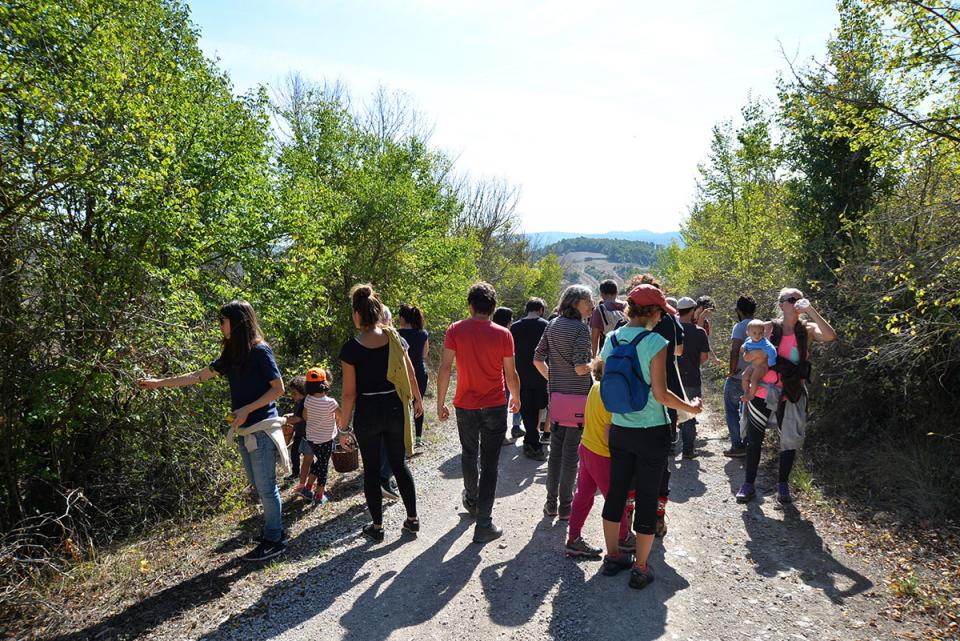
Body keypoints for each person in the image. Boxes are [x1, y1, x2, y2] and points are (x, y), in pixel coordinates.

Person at [137, 300, 288, 562]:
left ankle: (275, 538)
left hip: (262, 428)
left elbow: (278, 389)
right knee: (257, 484)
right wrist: (158, 384)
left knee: (266, 487)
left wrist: (247, 409)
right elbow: (197, 377)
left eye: (222, 321)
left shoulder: (261, 351)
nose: (219, 326)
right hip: (244, 429)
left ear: (237, 322)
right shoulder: (232, 355)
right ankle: (270, 532)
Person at [598, 285, 704, 589]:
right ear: (652, 311)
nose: (661, 318)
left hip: (619, 427)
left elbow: (605, 380)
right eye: (660, 312)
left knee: (617, 493)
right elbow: (660, 393)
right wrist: (690, 408)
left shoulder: (612, 338)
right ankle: (641, 567)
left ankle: (613, 555)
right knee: (646, 496)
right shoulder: (656, 341)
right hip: (651, 432)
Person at [436, 282, 521, 544]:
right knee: (490, 463)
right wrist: (516, 397)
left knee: (469, 453)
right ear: (493, 308)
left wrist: (440, 402)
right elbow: (511, 373)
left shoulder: (455, 330)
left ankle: (472, 499)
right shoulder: (503, 334)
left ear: (470, 306)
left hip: (465, 405)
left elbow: (445, 368)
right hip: (495, 405)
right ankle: (483, 523)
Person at [338, 285, 423, 541]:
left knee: (372, 470)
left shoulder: (350, 349)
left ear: (356, 314)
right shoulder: (395, 338)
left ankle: (377, 527)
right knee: (399, 464)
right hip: (395, 408)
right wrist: (418, 400)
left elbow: (349, 394)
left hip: (368, 413)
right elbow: (410, 372)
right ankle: (412, 519)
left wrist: (343, 428)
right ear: (377, 312)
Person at [736, 288, 836, 505]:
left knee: (788, 440)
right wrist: (756, 358)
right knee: (754, 439)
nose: (797, 302)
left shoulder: (807, 329)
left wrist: (811, 310)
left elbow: (830, 336)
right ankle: (748, 484)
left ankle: (782, 485)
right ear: (781, 304)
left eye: (800, 299)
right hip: (762, 389)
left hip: (791, 391)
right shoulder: (769, 327)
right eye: (792, 300)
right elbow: (747, 352)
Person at [534, 285, 594, 521]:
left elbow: (537, 359)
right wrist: (597, 363)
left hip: (557, 401)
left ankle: (551, 504)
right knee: (571, 459)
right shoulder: (581, 329)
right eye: (588, 300)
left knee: (555, 456)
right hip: (579, 402)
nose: (592, 305)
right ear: (576, 302)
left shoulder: (552, 325)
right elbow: (581, 368)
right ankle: (566, 507)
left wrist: (554, 378)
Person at [564, 359, 634, 558]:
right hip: (603, 455)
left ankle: (573, 539)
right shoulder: (611, 397)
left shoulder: (595, 387)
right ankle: (623, 537)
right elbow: (608, 435)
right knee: (615, 498)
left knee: (583, 496)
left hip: (586, 447)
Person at [294, 368, 341, 506]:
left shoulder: (308, 399)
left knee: (320, 463)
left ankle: (307, 489)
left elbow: (305, 416)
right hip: (326, 439)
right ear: (325, 383)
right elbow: (341, 415)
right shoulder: (331, 402)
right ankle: (318, 495)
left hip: (312, 440)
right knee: (323, 466)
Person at [510, 298, 550, 461]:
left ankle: (530, 439)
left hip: (521, 373)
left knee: (526, 408)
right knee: (539, 405)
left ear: (527, 309)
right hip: (542, 372)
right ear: (540, 309)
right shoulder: (546, 325)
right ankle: (534, 443)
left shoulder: (515, 327)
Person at [675, 297, 711, 459]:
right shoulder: (699, 332)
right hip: (692, 378)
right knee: (690, 414)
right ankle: (688, 450)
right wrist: (693, 364)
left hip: (672, 378)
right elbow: (704, 357)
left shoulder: (671, 329)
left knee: (670, 412)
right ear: (691, 311)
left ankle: (670, 446)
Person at [723, 295, 756, 457]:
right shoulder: (761, 326)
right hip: (755, 378)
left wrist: (731, 370)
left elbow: (735, 350)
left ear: (738, 310)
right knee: (749, 412)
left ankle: (737, 446)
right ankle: (749, 443)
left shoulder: (740, 327)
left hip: (738, 378)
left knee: (731, 411)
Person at [397, 304, 430, 449]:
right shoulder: (422, 334)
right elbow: (424, 354)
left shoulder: (395, 334)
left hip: (402, 375)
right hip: (420, 373)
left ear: (403, 318)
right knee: (418, 403)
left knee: (402, 406)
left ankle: (403, 439)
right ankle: (418, 438)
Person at [492, 306, 523, 438]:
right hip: (504, 376)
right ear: (508, 321)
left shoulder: (490, 333)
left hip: (491, 376)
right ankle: (502, 435)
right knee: (503, 406)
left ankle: (497, 433)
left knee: (497, 407)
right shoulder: (505, 335)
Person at [740, 319, 777, 402]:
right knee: (744, 376)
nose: (757, 335)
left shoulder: (764, 343)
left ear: (763, 333)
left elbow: (772, 350)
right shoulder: (748, 340)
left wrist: (771, 362)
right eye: (754, 333)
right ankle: (746, 392)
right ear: (748, 333)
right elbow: (745, 345)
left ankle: (751, 395)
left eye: (760, 333)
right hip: (753, 365)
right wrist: (743, 347)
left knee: (754, 379)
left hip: (762, 366)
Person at [591, 279, 625, 357]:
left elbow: (594, 340)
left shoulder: (599, 310)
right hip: (627, 350)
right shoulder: (627, 307)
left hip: (607, 351)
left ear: (601, 294)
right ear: (617, 292)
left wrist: (593, 358)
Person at [283, 375, 307, 481]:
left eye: (294, 393)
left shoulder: (306, 402)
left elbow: (299, 418)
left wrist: (284, 420)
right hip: (298, 432)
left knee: (308, 454)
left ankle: (312, 471)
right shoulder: (299, 402)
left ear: (302, 391)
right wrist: (290, 415)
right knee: (294, 452)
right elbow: (297, 414)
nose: (292, 396)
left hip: (306, 433)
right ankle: (296, 473)